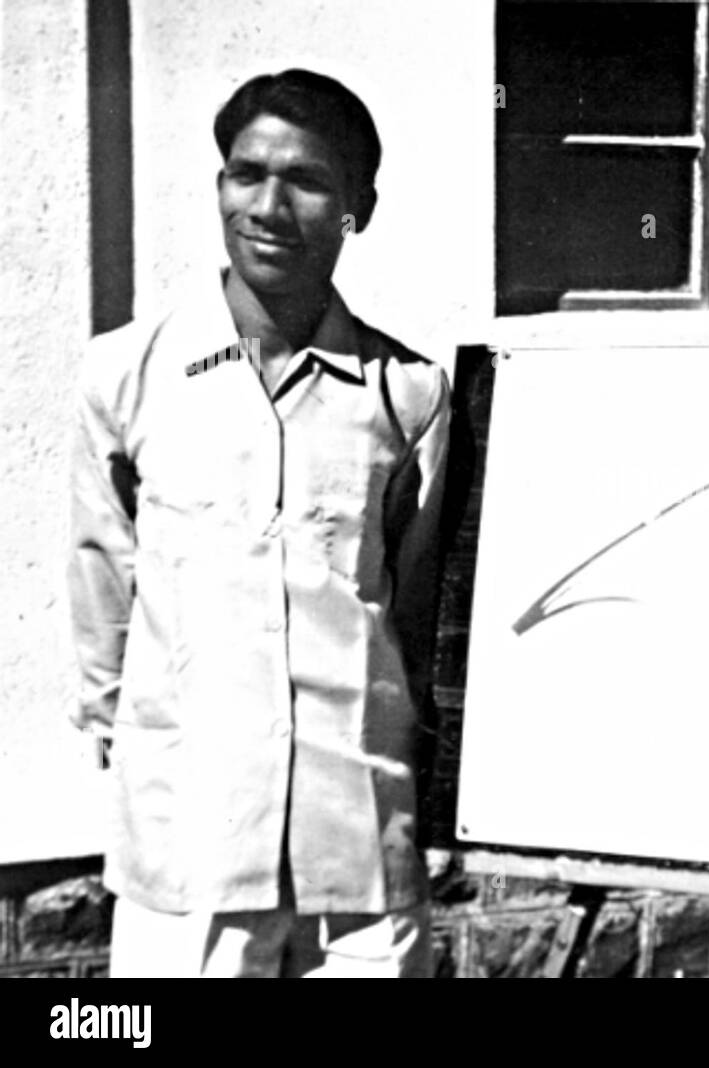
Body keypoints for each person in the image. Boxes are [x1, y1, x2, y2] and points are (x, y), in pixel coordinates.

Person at [67, 69, 450, 977]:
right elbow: (101, 595)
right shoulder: (126, 375)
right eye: (247, 174)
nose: (269, 207)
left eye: (308, 182)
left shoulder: (410, 396)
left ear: (359, 207)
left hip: (358, 853)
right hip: (192, 852)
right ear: (219, 186)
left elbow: (417, 615)